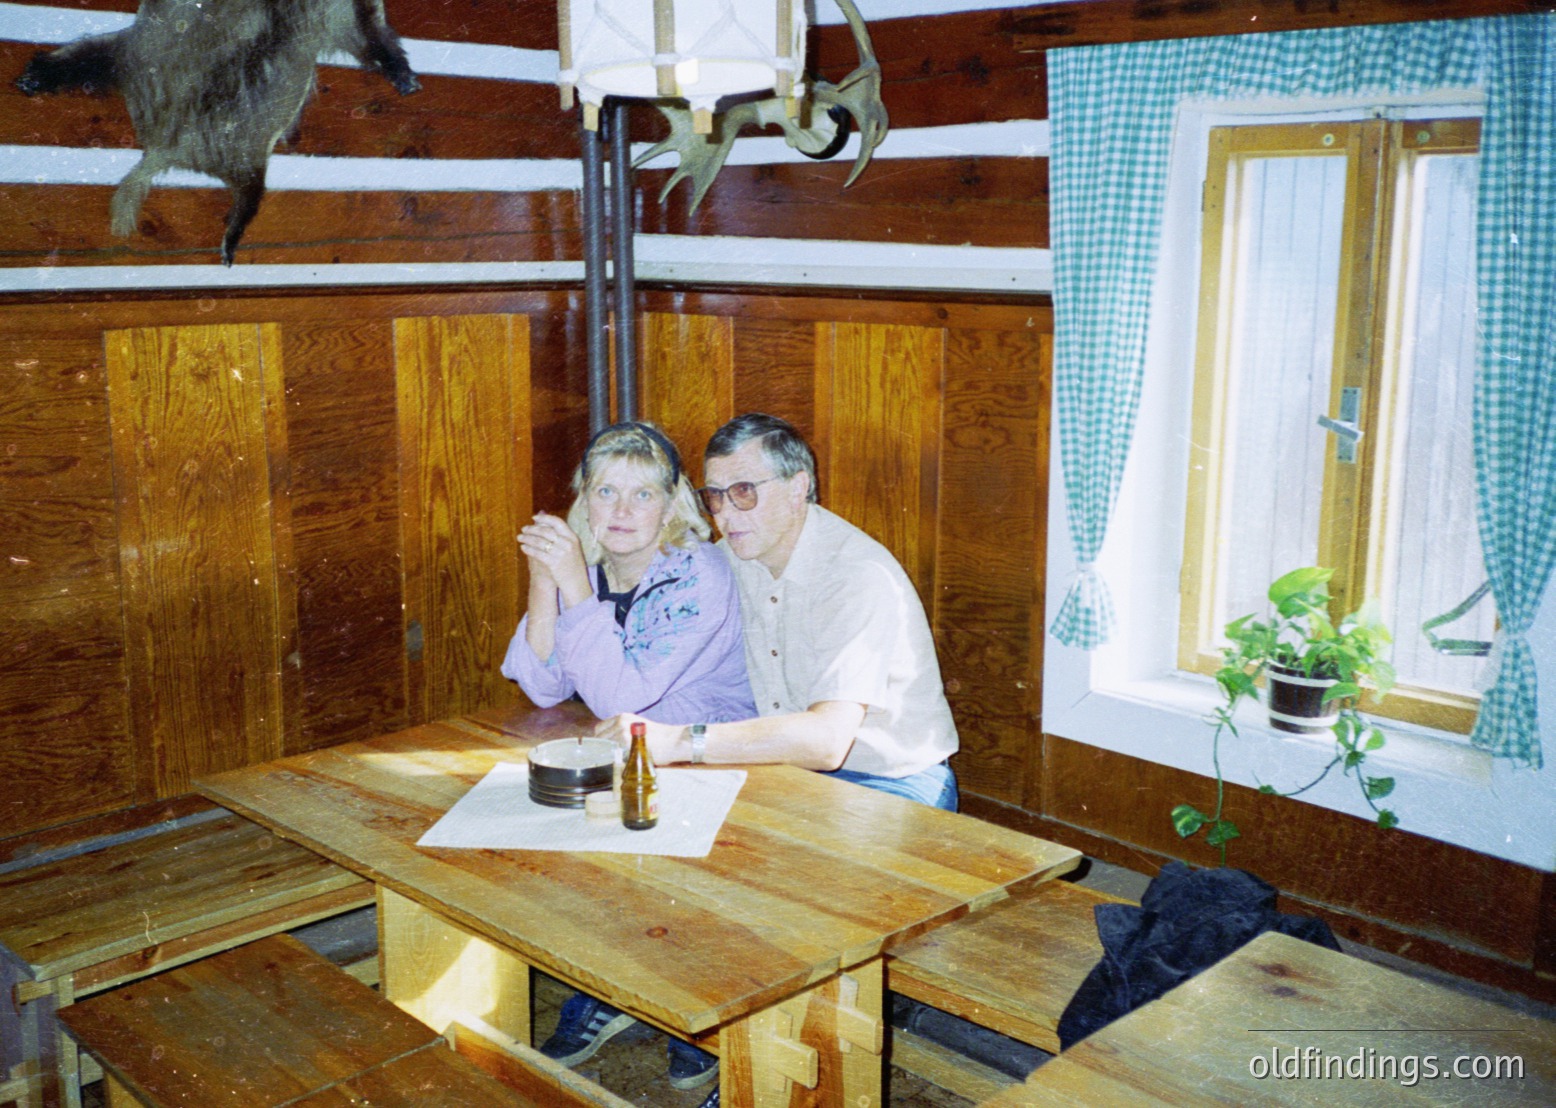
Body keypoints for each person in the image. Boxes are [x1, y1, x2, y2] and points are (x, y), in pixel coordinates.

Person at [501, 420, 751, 1093]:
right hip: (640, 760)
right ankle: (628, 996)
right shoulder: (590, 567)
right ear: (582, 501)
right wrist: (544, 580)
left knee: (616, 840)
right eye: (605, 491)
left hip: (721, 763)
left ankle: (683, 1017)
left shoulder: (698, 572)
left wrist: (574, 591)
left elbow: (622, 692)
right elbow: (543, 684)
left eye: (642, 495)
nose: (620, 510)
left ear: (673, 507)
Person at [597, 412, 959, 810]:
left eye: (745, 492)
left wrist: (677, 740)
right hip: (786, 769)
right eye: (715, 496)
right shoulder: (731, 558)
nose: (725, 515)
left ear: (797, 487)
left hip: (892, 781)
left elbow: (827, 741)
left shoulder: (855, 575)